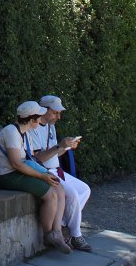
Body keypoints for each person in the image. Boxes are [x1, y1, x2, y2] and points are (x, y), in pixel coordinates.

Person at [0, 100, 72, 253]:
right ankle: (48, 234)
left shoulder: (24, 132)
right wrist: (43, 177)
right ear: (31, 119)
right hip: (6, 176)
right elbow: (16, 164)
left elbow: (30, 160)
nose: (41, 119)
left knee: (58, 187)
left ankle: (57, 233)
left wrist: (46, 173)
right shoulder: (11, 132)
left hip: (19, 172)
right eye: (39, 116)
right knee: (51, 195)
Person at [29, 95, 92, 252]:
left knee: (85, 190)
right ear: (44, 110)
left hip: (57, 170)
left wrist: (67, 147)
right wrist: (59, 146)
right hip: (45, 171)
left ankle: (63, 225)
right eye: (55, 112)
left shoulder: (51, 126)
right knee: (72, 194)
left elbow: (56, 154)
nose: (58, 116)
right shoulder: (34, 128)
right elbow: (38, 159)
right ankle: (76, 235)